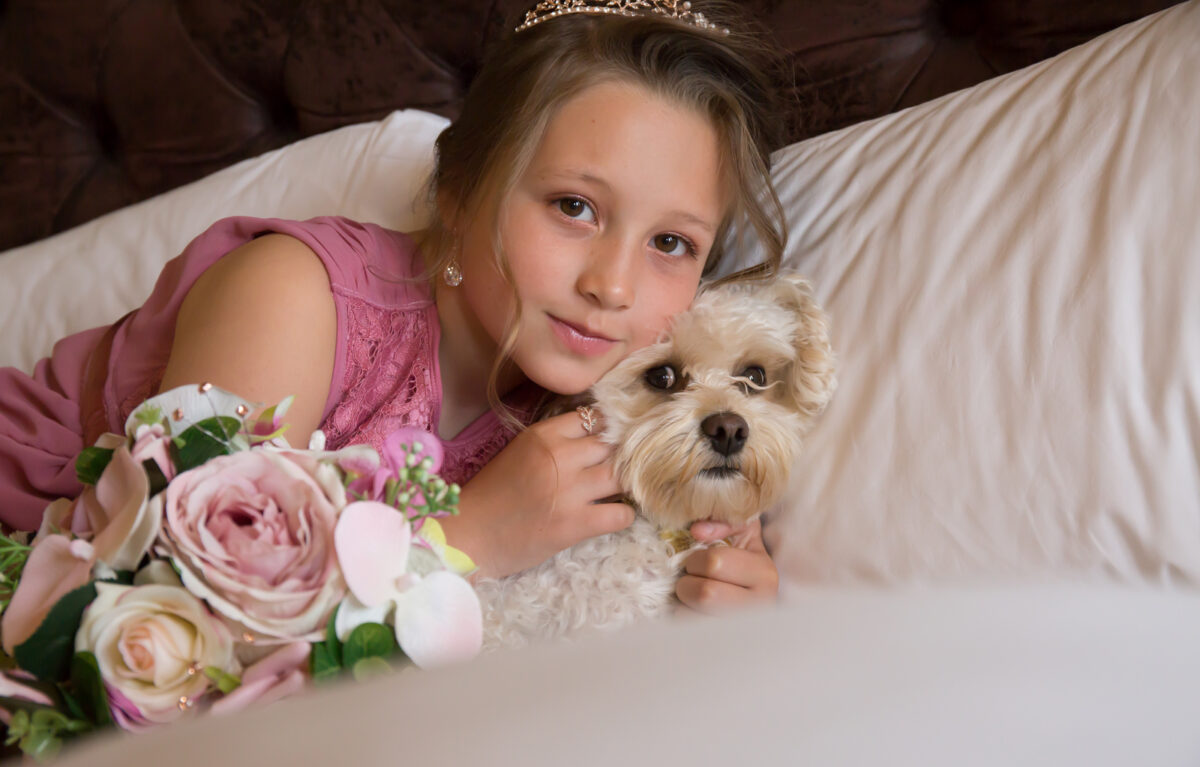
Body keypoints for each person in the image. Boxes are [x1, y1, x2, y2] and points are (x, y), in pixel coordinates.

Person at [0, 0, 787, 612]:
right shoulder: (292, 294)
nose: (612, 287)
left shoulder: (607, 396)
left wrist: (727, 583)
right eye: (574, 207)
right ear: (458, 193)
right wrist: (465, 537)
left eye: (672, 245)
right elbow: (167, 615)